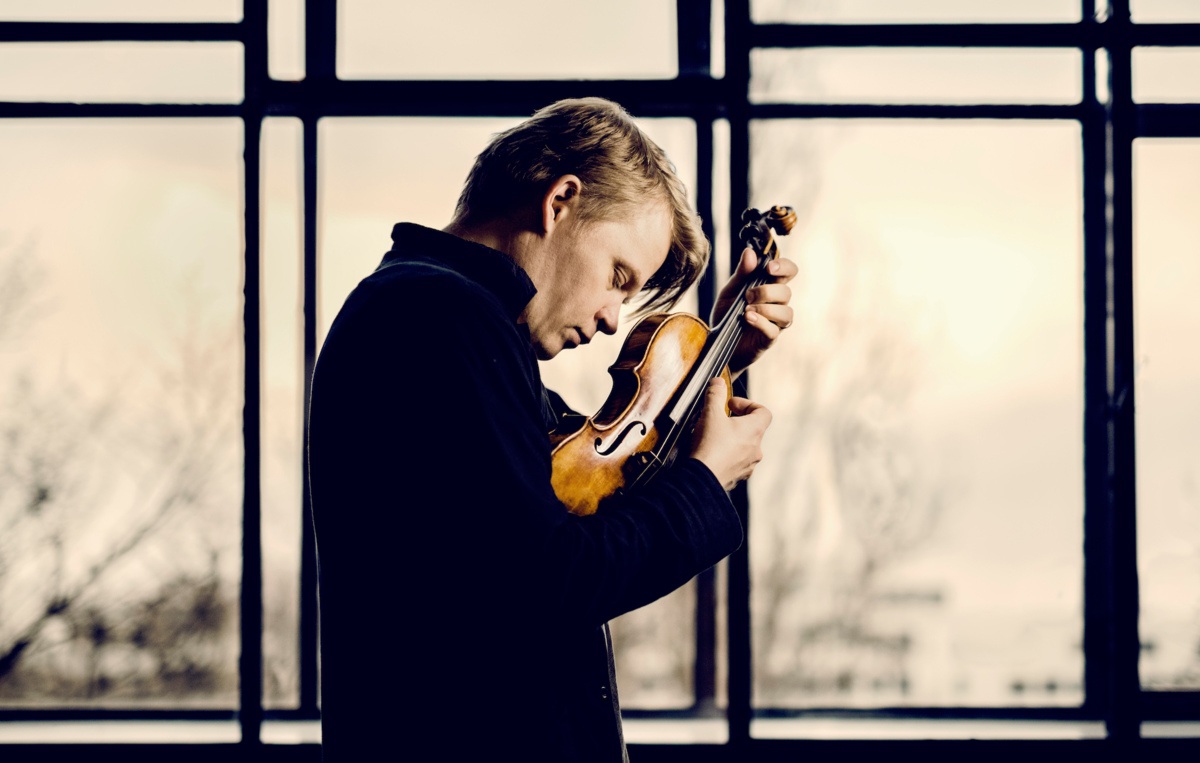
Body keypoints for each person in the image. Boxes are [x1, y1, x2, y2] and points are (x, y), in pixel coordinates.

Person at [308, 97, 796, 761]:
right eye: (619, 278)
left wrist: (714, 362)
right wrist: (707, 480)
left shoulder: (450, 319)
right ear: (559, 200)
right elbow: (551, 575)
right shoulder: (441, 319)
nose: (610, 320)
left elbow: (594, 487)